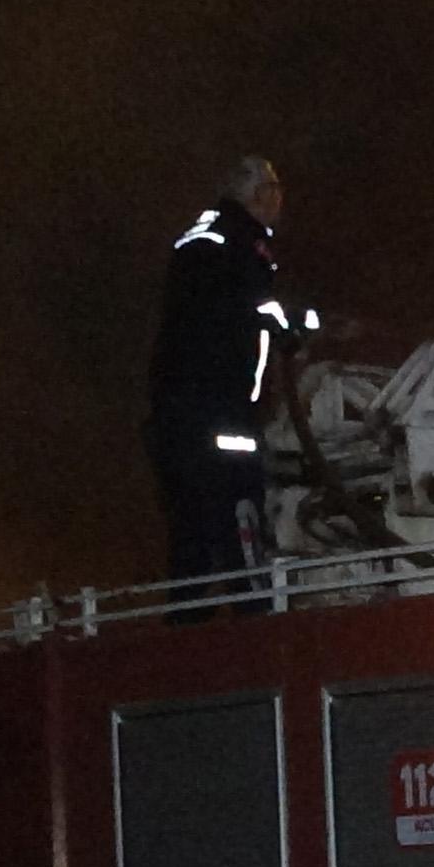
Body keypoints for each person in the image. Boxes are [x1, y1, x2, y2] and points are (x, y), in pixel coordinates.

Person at [145, 156, 310, 609]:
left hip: (185, 413)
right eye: (273, 194)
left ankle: (190, 622)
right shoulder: (237, 242)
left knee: (194, 530)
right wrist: (293, 329)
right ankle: (249, 619)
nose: (279, 204)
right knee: (239, 513)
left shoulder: (209, 239)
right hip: (217, 411)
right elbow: (252, 304)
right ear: (260, 196)